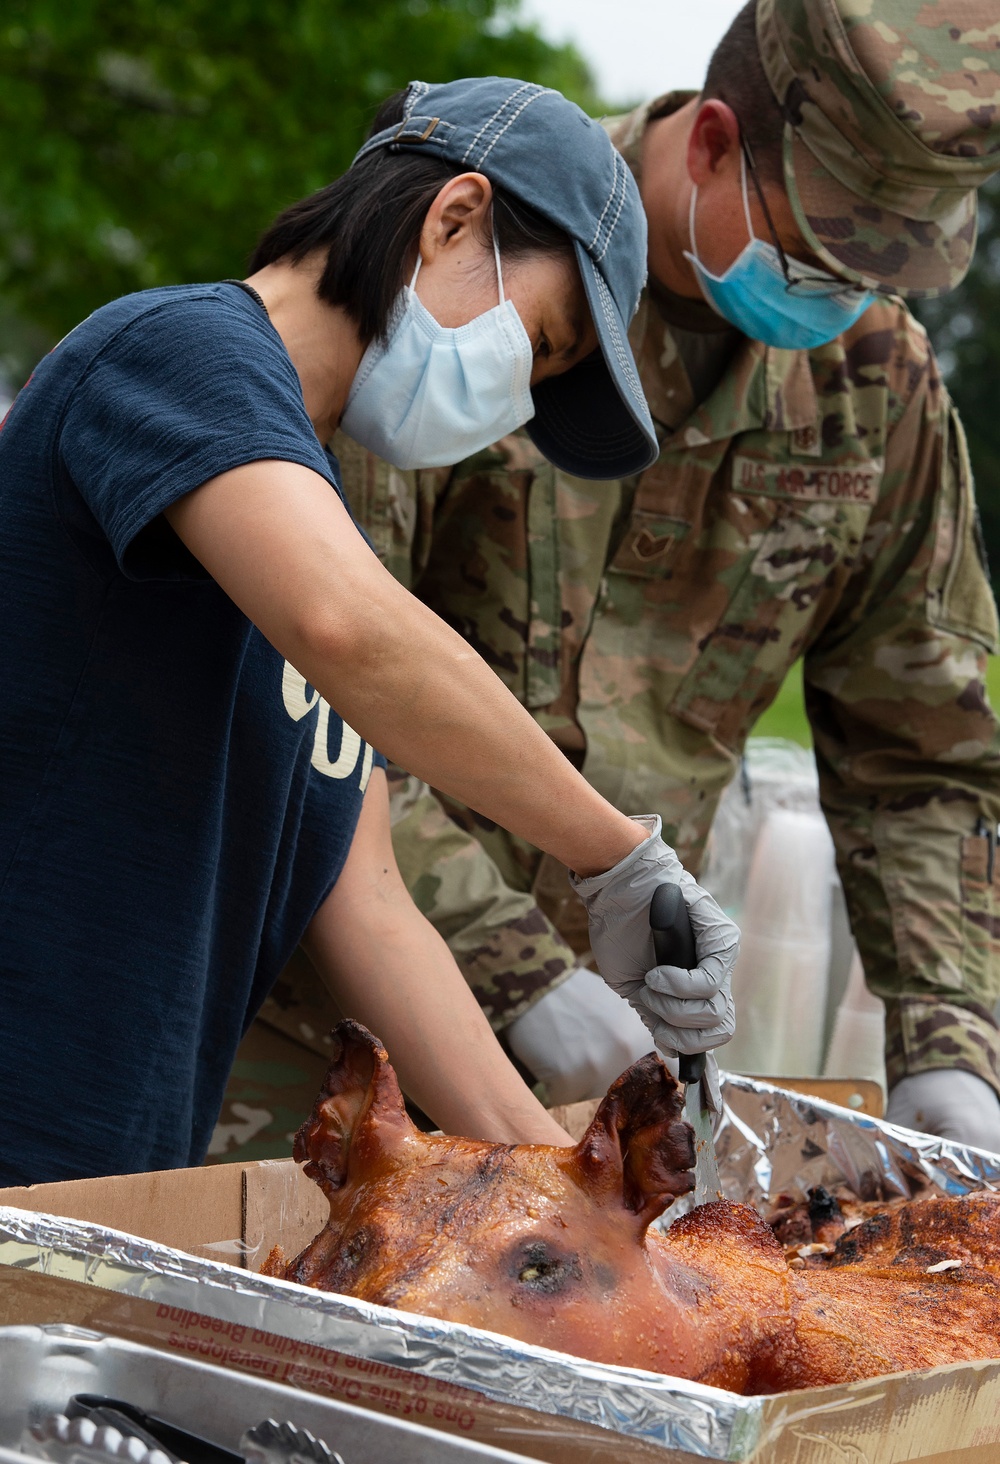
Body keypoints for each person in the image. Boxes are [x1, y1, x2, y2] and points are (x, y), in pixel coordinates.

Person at [228, 0, 1000, 1155]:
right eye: (815, 251)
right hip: (317, 1032)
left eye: (872, 272)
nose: (836, 297)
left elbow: (921, 750)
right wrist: (515, 971)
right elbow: (306, 672)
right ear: (709, 144)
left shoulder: (876, 387)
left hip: (617, 1064)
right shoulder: (485, 262)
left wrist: (949, 1042)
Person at [0, 76, 741, 1187]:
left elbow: (371, 905)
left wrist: (583, 1194)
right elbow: (347, 627)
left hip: (114, 1167)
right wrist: (613, 856)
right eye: (538, 344)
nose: (514, 406)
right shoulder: (176, 355)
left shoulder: (311, 513)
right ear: (454, 217)